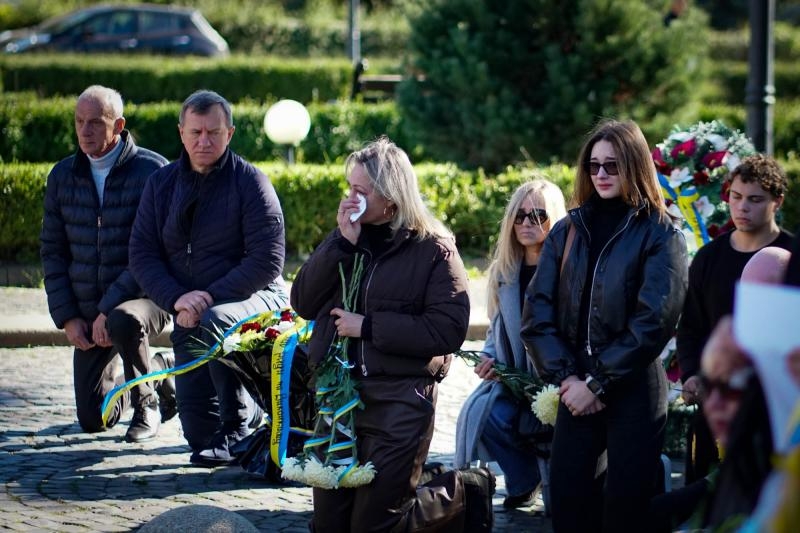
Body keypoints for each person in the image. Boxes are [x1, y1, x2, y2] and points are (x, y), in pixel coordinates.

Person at [290, 136, 471, 532]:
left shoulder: (434, 250)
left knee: (374, 523)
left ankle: (460, 495)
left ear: (390, 197)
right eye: (348, 188)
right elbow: (302, 302)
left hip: (400, 401)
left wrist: (367, 326)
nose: (350, 199)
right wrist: (340, 243)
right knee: (329, 522)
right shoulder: (347, 238)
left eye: (361, 191)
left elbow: (448, 329)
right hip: (340, 403)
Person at [521, 118, 688, 532]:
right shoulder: (566, 230)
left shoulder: (661, 233)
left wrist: (597, 382)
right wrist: (570, 380)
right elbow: (536, 314)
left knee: (625, 512)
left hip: (632, 386)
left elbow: (655, 321)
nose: (600, 175)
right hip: (574, 385)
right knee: (568, 504)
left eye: (611, 165)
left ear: (634, 166)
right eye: (593, 166)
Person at [128, 90, 288, 467]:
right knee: (199, 438)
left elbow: (268, 260)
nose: (204, 141)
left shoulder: (252, 183)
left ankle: (238, 427)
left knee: (217, 320)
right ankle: (247, 412)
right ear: (181, 132)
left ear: (229, 133)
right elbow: (142, 253)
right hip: (189, 307)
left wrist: (207, 297)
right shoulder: (161, 183)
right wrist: (177, 299)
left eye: (213, 133)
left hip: (256, 296)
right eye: (196, 132)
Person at [40, 85, 175, 443]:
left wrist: (106, 309)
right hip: (88, 310)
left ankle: (147, 403)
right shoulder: (62, 176)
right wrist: (69, 316)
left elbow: (154, 252)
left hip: (147, 296)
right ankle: (159, 371)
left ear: (119, 125)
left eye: (96, 123)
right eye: (79, 122)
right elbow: (53, 252)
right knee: (94, 417)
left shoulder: (153, 171)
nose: (85, 131)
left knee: (123, 319)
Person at [676, 154, 793, 483]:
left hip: (774, 408)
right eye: (736, 197)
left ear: (776, 201)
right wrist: (692, 374)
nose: (742, 208)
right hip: (715, 401)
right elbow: (691, 327)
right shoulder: (709, 257)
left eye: (755, 200)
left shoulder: (792, 256)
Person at [454, 179, 567, 509]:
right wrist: (489, 359)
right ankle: (524, 478)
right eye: (518, 216)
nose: (526, 223)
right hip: (514, 376)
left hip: (558, 378)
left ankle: (559, 488)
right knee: (483, 412)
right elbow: (496, 331)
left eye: (537, 215)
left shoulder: (568, 270)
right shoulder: (505, 271)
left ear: (555, 218)